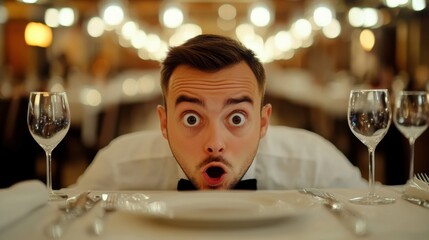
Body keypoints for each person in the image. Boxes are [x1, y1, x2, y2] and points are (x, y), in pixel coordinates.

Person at [72, 34, 366, 190]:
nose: (215, 142)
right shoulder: (118, 166)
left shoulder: (315, 164)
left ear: (264, 123)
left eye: (236, 118)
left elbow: (374, 213)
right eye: (191, 118)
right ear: (163, 123)